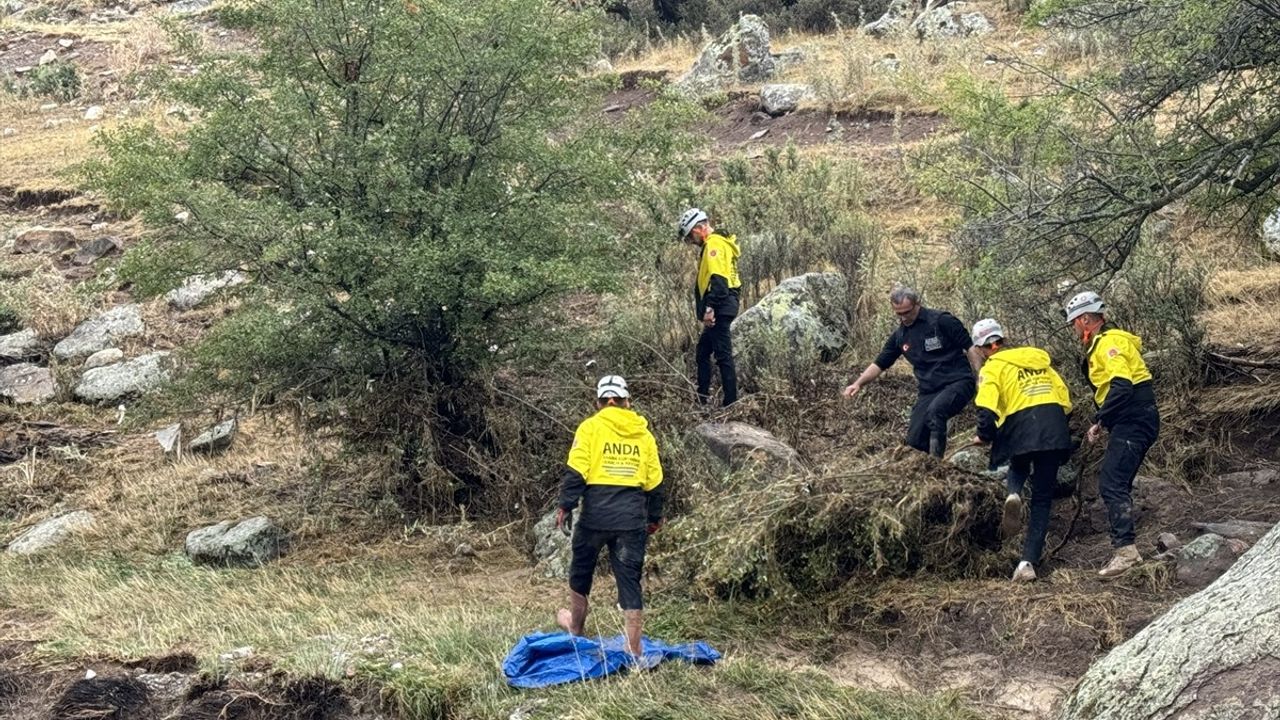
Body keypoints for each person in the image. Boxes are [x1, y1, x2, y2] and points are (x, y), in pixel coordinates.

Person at [555, 375, 665, 658]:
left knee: (581, 572)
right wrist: (654, 517)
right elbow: (655, 484)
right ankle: (634, 648)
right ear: (627, 402)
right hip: (630, 520)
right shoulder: (644, 435)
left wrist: (565, 506)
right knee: (629, 579)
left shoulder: (590, 428)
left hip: (595, 517)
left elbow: (577, 472)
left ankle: (576, 628)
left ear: (600, 403)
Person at [1064, 291, 1160, 578]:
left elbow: (1121, 386)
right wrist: (1105, 421)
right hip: (1133, 418)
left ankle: (1126, 552)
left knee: (1112, 482)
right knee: (1117, 482)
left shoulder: (1109, 343)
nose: (1073, 329)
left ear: (1084, 320)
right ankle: (1126, 549)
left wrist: (1099, 418)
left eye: (1074, 323)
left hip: (1135, 417)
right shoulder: (1104, 344)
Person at [970, 319, 1074, 582]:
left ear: (981, 348)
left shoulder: (992, 367)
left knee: (1018, 463)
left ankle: (1014, 493)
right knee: (1042, 499)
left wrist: (983, 435)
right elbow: (1065, 399)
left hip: (1021, 424)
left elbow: (987, 404)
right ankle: (1027, 563)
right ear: (1002, 340)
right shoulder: (1039, 361)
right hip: (1054, 423)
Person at [842, 285, 983, 457]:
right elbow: (880, 363)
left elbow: (970, 347)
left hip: (958, 382)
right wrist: (858, 384)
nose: (903, 318)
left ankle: (937, 465)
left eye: (907, 312)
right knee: (914, 440)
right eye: (898, 314)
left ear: (917, 304)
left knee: (936, 412)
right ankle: (922, 472)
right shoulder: (900, 336)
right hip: (929, 390)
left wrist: (980, 377)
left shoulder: (942, 321)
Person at [678, 208, 741, 407]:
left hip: (721, 305)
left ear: (698, 228)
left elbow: (720, 281)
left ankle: (730, 403)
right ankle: (702, 397)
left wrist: (710, 308)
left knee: (723, 354)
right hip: (726, 303)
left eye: (690, 236)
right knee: (703, 351)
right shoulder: (720, 243)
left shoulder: (713, 244)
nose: (691, 241)